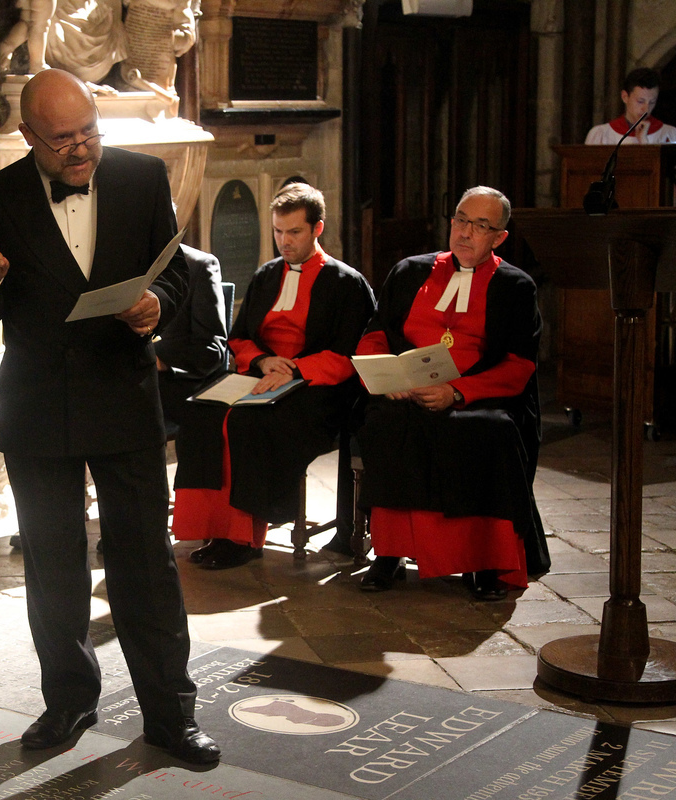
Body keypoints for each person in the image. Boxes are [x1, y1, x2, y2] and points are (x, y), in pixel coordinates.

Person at [0, 68, 219, 765]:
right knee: (53, 567)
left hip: (122, 395)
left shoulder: (142, 178)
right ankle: (68, 701)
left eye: (88, 133)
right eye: (62, 140)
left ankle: (171, 714)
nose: (80, 150)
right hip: (38, 405)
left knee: (146, 564)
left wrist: (158, 305)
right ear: (27, 135)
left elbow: (175, 268)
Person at [355, 186, 550, 600]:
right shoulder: (409, 271)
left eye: (480, 225)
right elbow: (375, 335)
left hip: (476, 398)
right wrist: (389, 378)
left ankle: (485, 560)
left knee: (487, 430)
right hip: (407, 393)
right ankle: (389, 552)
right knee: (385, 422)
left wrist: (457, 393)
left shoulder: (516, 287)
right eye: (461, 219)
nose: (465, 232)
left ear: (499, 238)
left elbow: (519, 366)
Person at [170, 183, 375, 570]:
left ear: (317, 228)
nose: (284, 241)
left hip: (316, 390)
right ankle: (211, 529)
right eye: (278, 231)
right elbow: (239, 337)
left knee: (248, 423)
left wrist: (295, 369)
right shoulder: (266, 275)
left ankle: (244, 538)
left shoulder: (346, 283)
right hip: (261, 377)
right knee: (201, 415)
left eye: (294, 232)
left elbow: (351, 355)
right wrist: (264, 361)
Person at [154, 243, 230, 431]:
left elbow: (212, 349)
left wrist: (163, 362)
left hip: (172, 381)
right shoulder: (120, 264)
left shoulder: (199, 266)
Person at [585, 67, 676, 145]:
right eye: (640, 101)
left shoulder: (670, 135)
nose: (646, 109)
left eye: (652, 102)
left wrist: (643, 141)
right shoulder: (601, 134)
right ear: (625, 97)